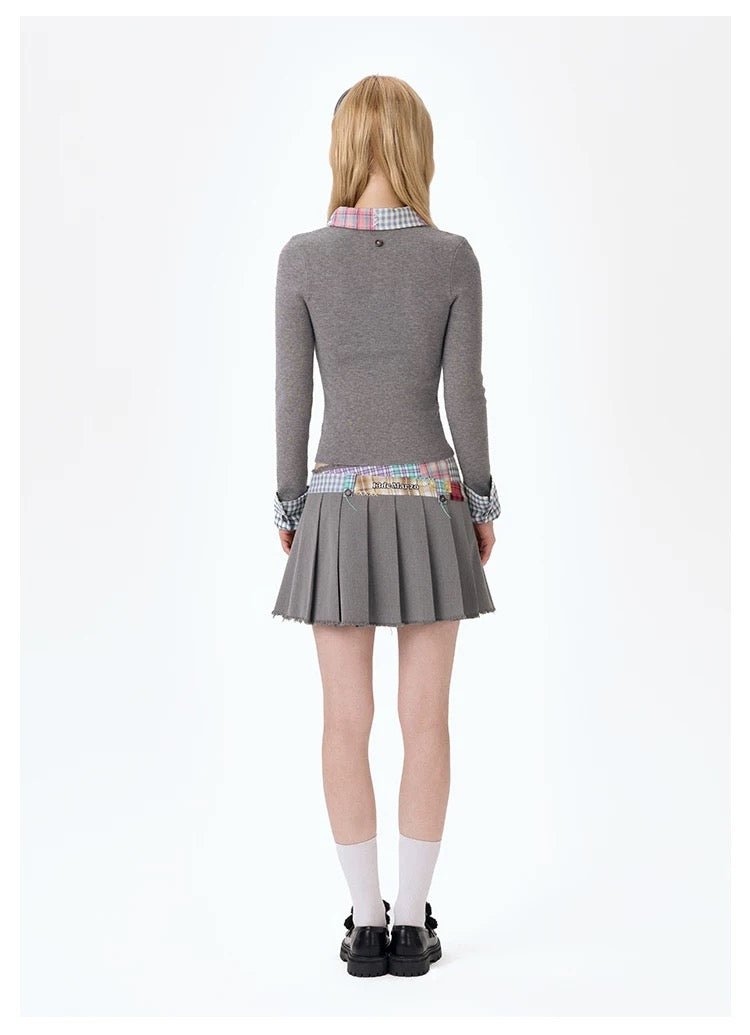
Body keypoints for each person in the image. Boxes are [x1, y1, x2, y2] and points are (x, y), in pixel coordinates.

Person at [271, 75, 501, 978]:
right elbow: (464, 395)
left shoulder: (302, 259)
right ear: (415, 145)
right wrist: (480, 503)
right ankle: (413, 923)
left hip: (335, 503)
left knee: (344, 720)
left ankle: (364, 923)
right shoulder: (452, 258)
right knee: (425, 720)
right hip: (431, 503)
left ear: (344, 146)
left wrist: (290, 505)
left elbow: (292, 398)